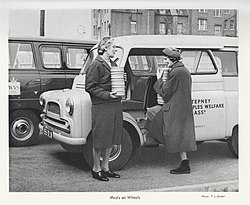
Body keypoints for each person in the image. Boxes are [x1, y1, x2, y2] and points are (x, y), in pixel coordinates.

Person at [143, 47, 197, 174]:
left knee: (156, 121)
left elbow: (165, 93)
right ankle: (185, 164)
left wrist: (160, 80)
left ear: (171, 59)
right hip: (182, 110)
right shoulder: (184, 71)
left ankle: (150, 140)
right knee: (180, 138)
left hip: (174, 110)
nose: (165, 61)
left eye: (166, 59)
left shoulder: (175, 72)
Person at [85, 36, 123, 181]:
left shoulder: (112, 63)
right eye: (113, 47)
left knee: (111, 138)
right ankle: (96, 168)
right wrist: (108, 95)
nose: (115, 49)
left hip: (113, 105)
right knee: (101, 139)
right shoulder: (96, 64)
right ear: (105, 48)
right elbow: (90, 87)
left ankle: (106, 168)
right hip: (102, 106)